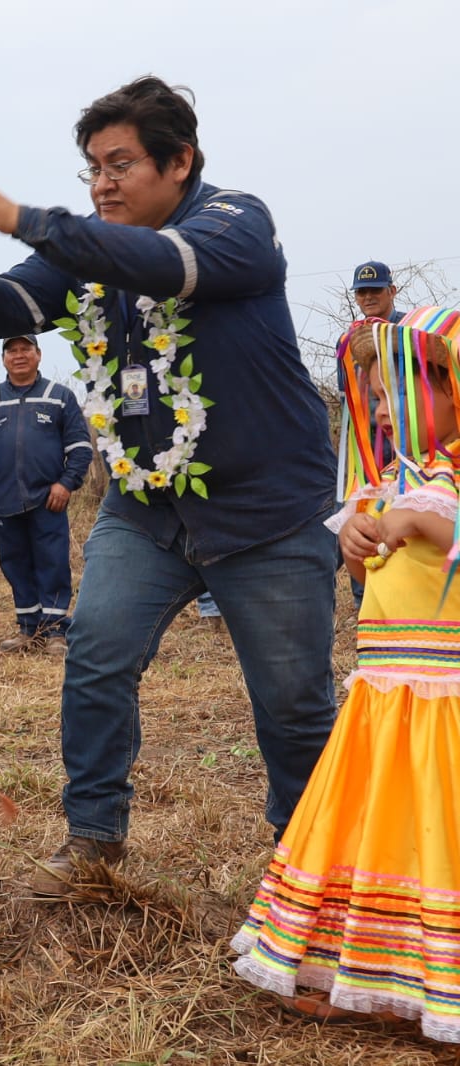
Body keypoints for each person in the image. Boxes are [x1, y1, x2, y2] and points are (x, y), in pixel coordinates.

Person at [0, 75, 339, 896]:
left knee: (292, 703)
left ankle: (309, 864)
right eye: (91, 169)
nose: (103, 184)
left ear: (180, 161)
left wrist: (22, 218)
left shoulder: (234, 224)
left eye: (120, 165)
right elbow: (4, 307)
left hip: (268, 514)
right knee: (96, 660)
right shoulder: (88, 252)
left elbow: (161, 264)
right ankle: (92, 841)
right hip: (145, 510)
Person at [232, 310, 460, 1040]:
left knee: (438, 827)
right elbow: (363, 558)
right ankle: (361, 973)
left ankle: (435, 985)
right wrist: (359, 540)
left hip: (443, 699)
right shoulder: (391, 479)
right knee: (382, 825)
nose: (383, 408)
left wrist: (430, 522)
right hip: (384, 695)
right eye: (375, 393)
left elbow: (440, 531)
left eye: (393, 390)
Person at [0, 333, 91, 655]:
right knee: (15, 565)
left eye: (25, 349)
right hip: (2, 501)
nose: (19, 355)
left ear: (39, 355)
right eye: (12, 350)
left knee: (53, 563)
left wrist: (66, 483)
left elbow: (81, 448)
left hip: (49, 499)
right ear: (4, 358)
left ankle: (55, 631)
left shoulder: (59, 396)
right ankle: (28, 630)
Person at [337, 261, 404, 609]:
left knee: (403, 511)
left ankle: (404, 592)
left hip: (406, 441)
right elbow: (346, 393)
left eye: (375, 290)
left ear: (392, 291)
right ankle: (366, 600)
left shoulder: (409, 331)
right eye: (362, 292)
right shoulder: (347, 340)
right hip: (365, 447)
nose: (368, 297)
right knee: (361, 512)